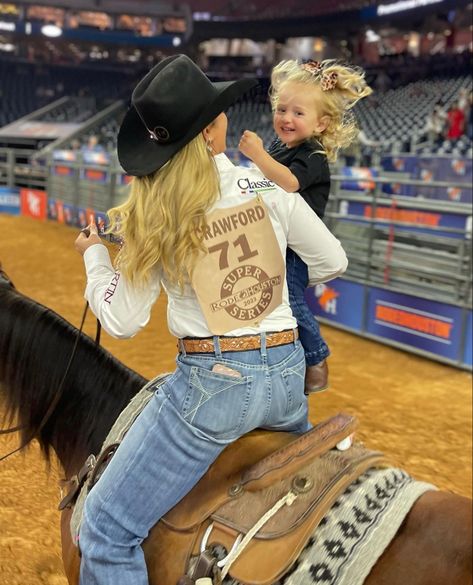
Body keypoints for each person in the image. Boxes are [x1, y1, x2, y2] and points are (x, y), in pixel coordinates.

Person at [73, 54, 348, 585]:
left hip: (213, 391)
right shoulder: (268, 187)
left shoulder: (154, 214)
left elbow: (121, 320)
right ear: (215, 128)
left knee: (105, 528)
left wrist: (95, 257)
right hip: (289, 381)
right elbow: (332, 261)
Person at [238, 59, 371, 394]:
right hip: (273, 239)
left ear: (321, 124)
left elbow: (290, 183)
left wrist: (256, 156)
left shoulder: (312, 154)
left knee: (289, 297)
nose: (286, 118)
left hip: (295, 248)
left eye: (298, 113)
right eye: (282, 109)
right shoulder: (280, 147)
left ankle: (316, 356)